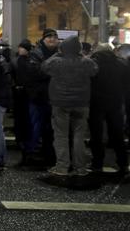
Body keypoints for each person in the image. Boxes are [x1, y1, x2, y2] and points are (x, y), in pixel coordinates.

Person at [42, 36, 98, 176]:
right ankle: (80, 168)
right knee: (79, 136)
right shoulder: (86, 62)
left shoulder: (56, 61)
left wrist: (58, 53)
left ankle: (62, 167)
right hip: (81, 103)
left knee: (61, 136)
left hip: (60, 103)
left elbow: (44, 67)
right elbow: (95, 70)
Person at [88, 44, 128, 175]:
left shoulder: (92, 63)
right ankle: (123, 163)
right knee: (117, 134)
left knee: (96, 135)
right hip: (115, 103)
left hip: (96, 103)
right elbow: (127, 84)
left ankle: (97, 163)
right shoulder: (122, 64)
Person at [25, 28, 59, 166]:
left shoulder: (59, 53)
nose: (52, 39)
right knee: (36, 126)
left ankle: (48, 154)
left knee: (51, 129)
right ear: (43, 39)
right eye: (49, 37)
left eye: (54, 37)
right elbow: (35, 73)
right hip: (38, 97)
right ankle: (31, 154)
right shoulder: (36, 53)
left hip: (54, 97)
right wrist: (52, 70)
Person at [12, 39, 32, 165]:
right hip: (20, 94)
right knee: (21, 119)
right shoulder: (17, 61)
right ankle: (21, 141)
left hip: (25, 95)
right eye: (21, 47)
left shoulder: (24, 61)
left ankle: (23, 142)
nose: (21, 50)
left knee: (25, 120)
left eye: (24, 48)